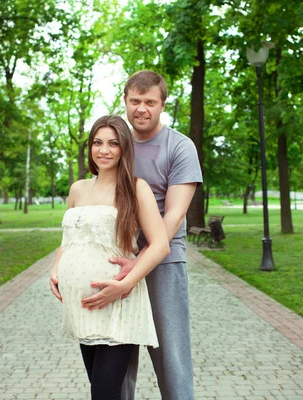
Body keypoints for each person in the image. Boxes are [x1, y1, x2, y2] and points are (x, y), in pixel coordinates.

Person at [81, 71, 203, 400]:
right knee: (116, 356)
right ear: (125, 101)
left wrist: (137, 266)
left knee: (171, 356)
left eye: (150, 102)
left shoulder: (180, 147)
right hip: (114, 259)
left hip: (163, 262)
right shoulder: (116, 143)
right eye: (135, 101)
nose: (142, 109)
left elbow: (174, 215)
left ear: (163, 104)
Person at [49, 115, 170, 400]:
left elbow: (160, 245)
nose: (104, 150)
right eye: (97, 143)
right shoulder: (78, 189)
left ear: (124, 148)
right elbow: (68, 240)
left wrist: (125, 285)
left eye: (113, 143)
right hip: (82, 307)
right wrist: (56, 269)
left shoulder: (135, 188)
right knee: (99, 390)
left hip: (118, 302)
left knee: (104, 392)